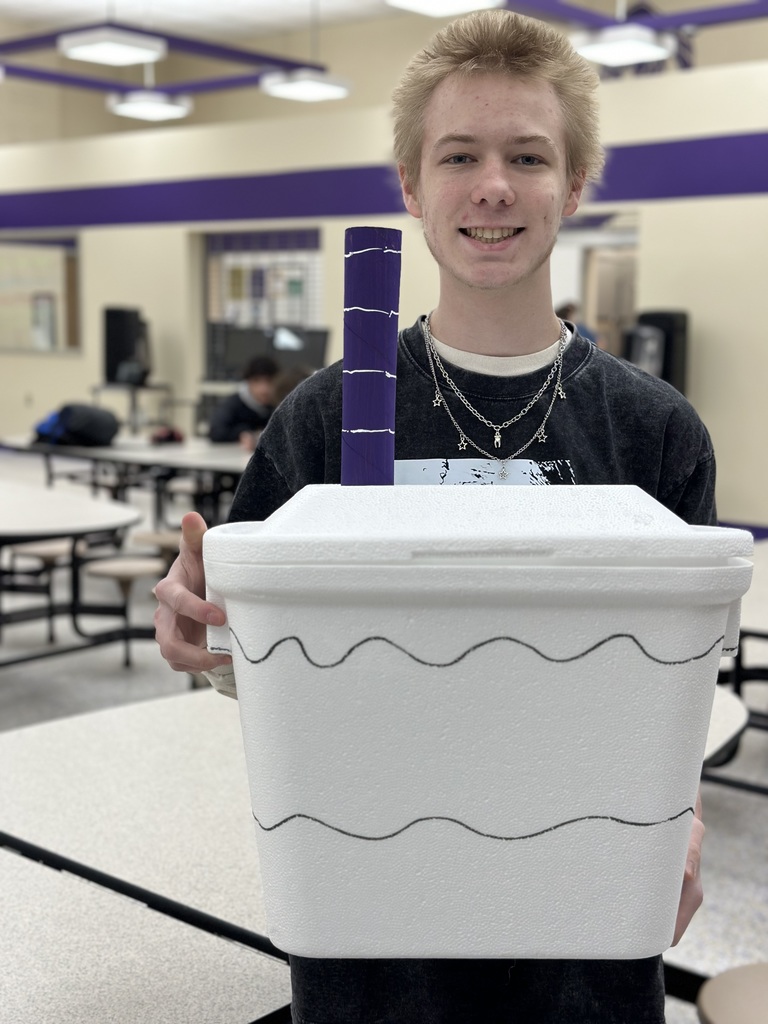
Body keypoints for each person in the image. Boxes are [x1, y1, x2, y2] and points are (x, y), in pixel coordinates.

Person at [155, 10, 709, 1022]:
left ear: (573, 185)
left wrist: (684, 823)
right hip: (375, 941)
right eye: (459, 154)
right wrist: (216, 634)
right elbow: (266, 679)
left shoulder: (654, 431)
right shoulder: (320, 422)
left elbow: (674, 686)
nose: (493, 184)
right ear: (411, 183)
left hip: (581, 944)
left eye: (528, 156)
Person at [208, 354, 279, 450]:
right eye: (257, 381)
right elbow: (216, 432)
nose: (264, 389)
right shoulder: (233, 404)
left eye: (269, 381)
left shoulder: (278, 405)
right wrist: (241, 433)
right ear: (248, 381)